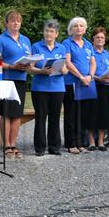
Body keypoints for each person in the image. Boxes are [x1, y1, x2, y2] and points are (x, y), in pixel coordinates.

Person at [0, 10, 31, 158]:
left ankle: (13, 143)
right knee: (6, 113)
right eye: (13, 20)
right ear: (7, 23)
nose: (16, 23)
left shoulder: (26, 40)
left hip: (21, 79)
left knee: (17, 114)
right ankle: (6, 144)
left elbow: (29, 57)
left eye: (18, 20)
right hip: (6, 80)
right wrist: (11, 66)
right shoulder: (1, 40)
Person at [29, 19, 68, 156]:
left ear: (56, 34)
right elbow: (30, 68)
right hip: (40, 87)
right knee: (40, 118)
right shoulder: (36, 47)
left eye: (51, 31)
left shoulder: (62, 48)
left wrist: (64, 70)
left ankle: (54, 146)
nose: (48, 33)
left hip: (58, 87)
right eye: (46, 30)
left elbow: (65, 67)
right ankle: (40, 148)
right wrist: (41, 71)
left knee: (55, 117)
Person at [62, 17, 96, 154]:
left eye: (81, 25)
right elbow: (68, 63)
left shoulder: (88, 44)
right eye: (75, 25)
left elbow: (93, 62)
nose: (79, 28)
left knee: (82, 114)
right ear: (71, 29)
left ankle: (80, 143)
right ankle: (70, 143)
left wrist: (90, 76)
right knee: (71, 114)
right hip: (72, 83)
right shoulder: (66, 43)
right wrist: (81, 77)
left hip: (86, 83)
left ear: (85, 28)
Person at [89, 27, 109, 151]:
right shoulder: (90, 53)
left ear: (105, 40)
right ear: (93, 40)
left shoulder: (108, 54)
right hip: (93, 86)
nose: (100, 39)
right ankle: (91, 141)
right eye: (97, 37)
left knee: (104, 114)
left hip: (106, 87)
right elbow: (87, 71)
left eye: (102, 38)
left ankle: (100, 141)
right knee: (92, 113)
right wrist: (98, 78)